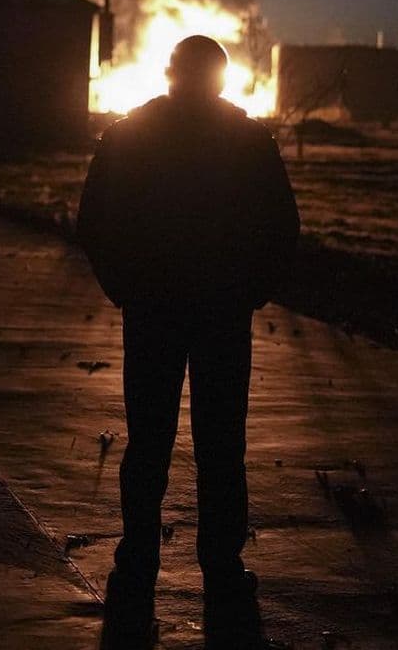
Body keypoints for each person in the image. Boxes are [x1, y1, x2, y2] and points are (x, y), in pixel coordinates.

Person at [76, 35, 300, 645]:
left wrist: (124, 285)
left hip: (154, 310)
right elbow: (283, 228)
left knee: (149, 440)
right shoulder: (249, 141)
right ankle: (222, 567)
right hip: (221, 314)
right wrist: (251, 289)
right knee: (221, 444)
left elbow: (93, 219)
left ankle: (138, 558)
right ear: (223, 79)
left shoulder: (130, 134)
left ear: (170, 72)